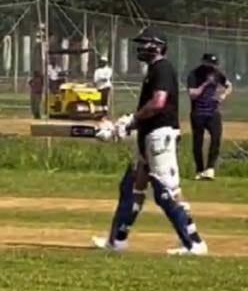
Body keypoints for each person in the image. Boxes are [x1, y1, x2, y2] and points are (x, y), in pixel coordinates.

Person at [92, 27, 208, 256]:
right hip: (148, 135)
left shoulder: (162, 68)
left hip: (159, 136)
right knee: (133, 185)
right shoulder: (153, 70)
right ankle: (117, 240)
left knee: (167, 191)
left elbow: (158, 103)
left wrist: (131, 120)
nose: (140, 48)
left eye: (145, 43)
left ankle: (194, 244)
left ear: (157, 45)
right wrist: (122, 127)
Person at [187, 53, 233, 181]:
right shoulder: (194, 74)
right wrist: (205, 84)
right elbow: (192, 94)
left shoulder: (217, 73)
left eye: (213, 64)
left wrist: (223, 95)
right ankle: (199, 169)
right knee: (198, 142)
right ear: (203, 62)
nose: (211, 67)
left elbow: (228, 85)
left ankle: (210, 168)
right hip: (198, 112)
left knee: (216, 138)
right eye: (209, 64)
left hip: (212, 111)